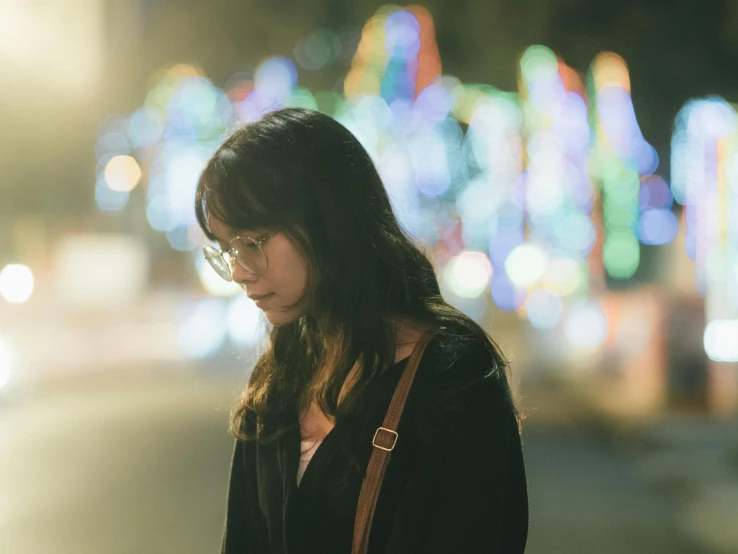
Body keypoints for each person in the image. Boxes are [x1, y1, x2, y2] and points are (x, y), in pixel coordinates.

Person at [195, 107, 528, 553]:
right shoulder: (279, 379)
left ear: (326, 220)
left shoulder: (452, 376)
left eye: (251, 243)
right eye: (225, 249)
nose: (238, 271)